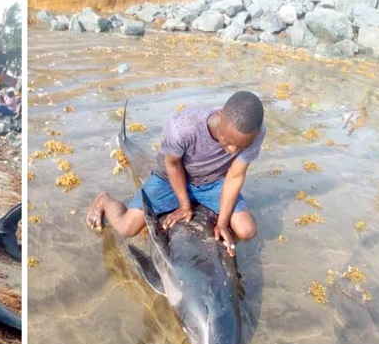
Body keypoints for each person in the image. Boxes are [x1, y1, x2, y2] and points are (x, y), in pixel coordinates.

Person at [86, 91, 266, 257]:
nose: (232, 149)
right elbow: (172, 164)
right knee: (127, 228)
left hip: (213, 181)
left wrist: (222, 223)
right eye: (227, 141)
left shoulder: (255, 133)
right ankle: (104, 200)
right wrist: (184, 205)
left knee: (246, 230)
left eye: (239, 146)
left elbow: (235, 176)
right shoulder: (183, 127)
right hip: (169, 179)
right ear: (219, 115)